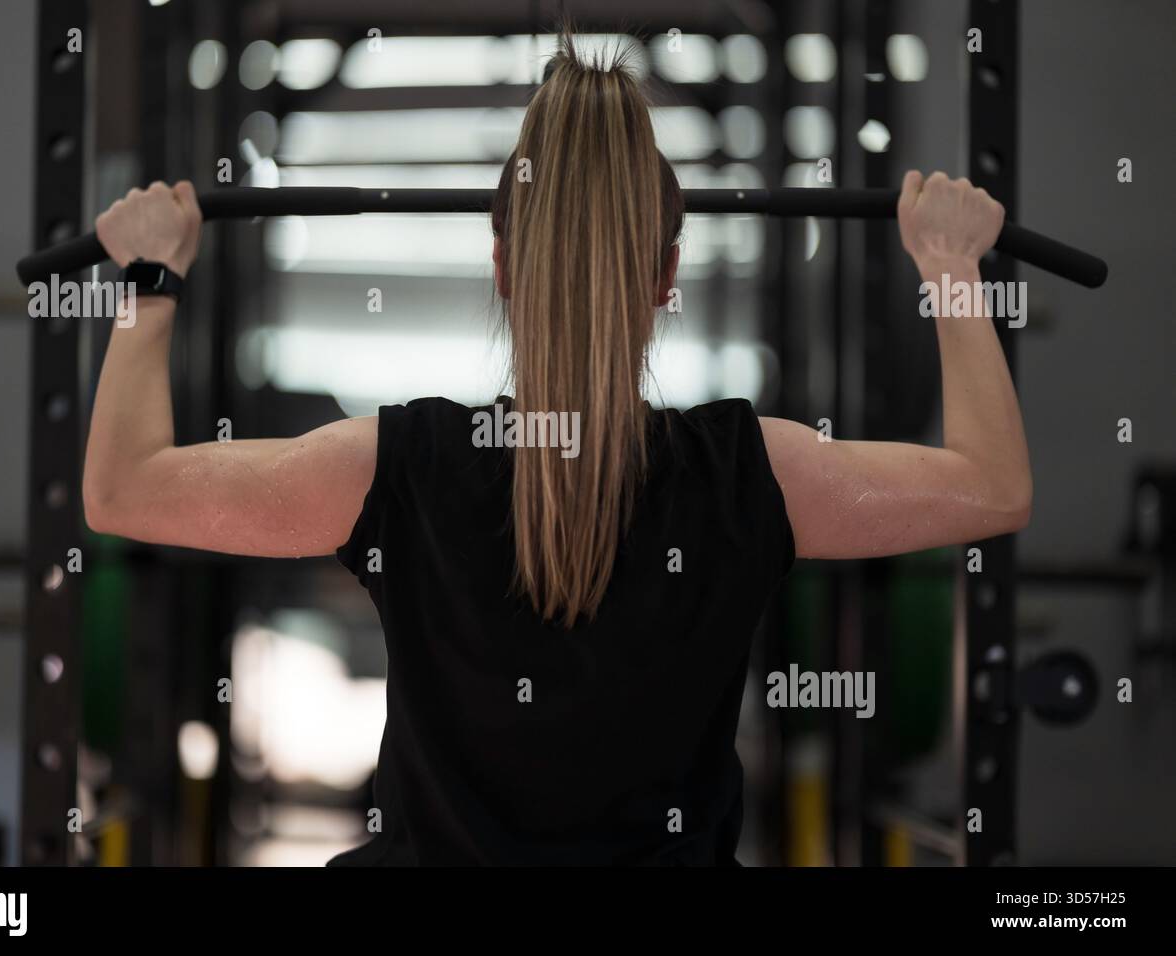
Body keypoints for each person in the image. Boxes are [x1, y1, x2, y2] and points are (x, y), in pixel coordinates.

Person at [83, 37, 1030, 865]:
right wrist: (951, 271)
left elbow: (123, 492)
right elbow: (992, 490)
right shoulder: (754, 474)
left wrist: (150, 282)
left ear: (502, 266)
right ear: (666, 275)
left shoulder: (397, 466)